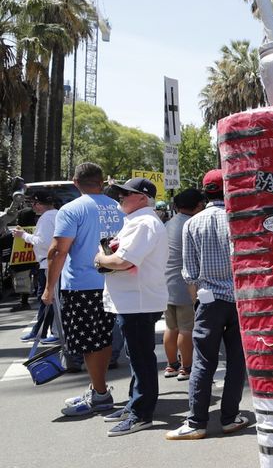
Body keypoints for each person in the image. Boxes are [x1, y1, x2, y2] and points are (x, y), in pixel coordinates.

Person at [167, 170, 248, 440]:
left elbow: (189, 272)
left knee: (203, 361)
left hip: (208, 300)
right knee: (237, 361)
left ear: (205, 193)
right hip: (239, 300)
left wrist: (197, 301)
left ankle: (196, 422)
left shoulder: (192, 224)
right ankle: (229, 418)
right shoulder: (240, 219)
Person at [46, 163, 124, 416]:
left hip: (83, 285)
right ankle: (97, 388)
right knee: (104, 339)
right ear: (101, 182)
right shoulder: (119, 208)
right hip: (115, 282)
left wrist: (49, 288)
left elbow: (58, 250)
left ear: (75, 182)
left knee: (91, 342)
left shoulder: (72, 209)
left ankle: (100, 394)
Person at [94, 177, 169, 436]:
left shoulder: (144, 222)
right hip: (133, 300)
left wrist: (102, 258)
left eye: (127, 193)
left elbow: (124, 261)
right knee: (138, 358)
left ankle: (141, 413)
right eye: (122, 193)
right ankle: (135, 406)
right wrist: (107, 258)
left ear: (143, 198)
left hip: (137, 301)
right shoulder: (140, 221)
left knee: (141, 359)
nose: (121, 197)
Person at [163, 189, 204, 380]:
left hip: (166, 284)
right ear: (197, 205)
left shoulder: (167, 224)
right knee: (187, 328)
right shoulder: (192, 224)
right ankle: (186, 368)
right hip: (185, 285)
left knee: (171, 328)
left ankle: (171, 365)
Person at [14, 192, 59, 342]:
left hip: (48, 263)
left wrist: (23, 235)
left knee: (46, 298)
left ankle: (45, 332)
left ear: (38, 204)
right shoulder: (58, 214)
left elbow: (44, 242)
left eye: (33, 203)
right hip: (54, 262)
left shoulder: (46, 218)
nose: (32, 207)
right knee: (50, 299)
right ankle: (44, 331)